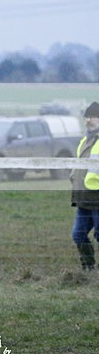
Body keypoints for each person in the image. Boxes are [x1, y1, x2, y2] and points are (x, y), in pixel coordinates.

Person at [71, 101, 99, 270]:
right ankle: (89, 267)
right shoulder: (85, 141)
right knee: (78, 234)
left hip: (97, 197)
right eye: (87, 117)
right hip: (84, 198)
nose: (89, 120)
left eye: (93, 117)